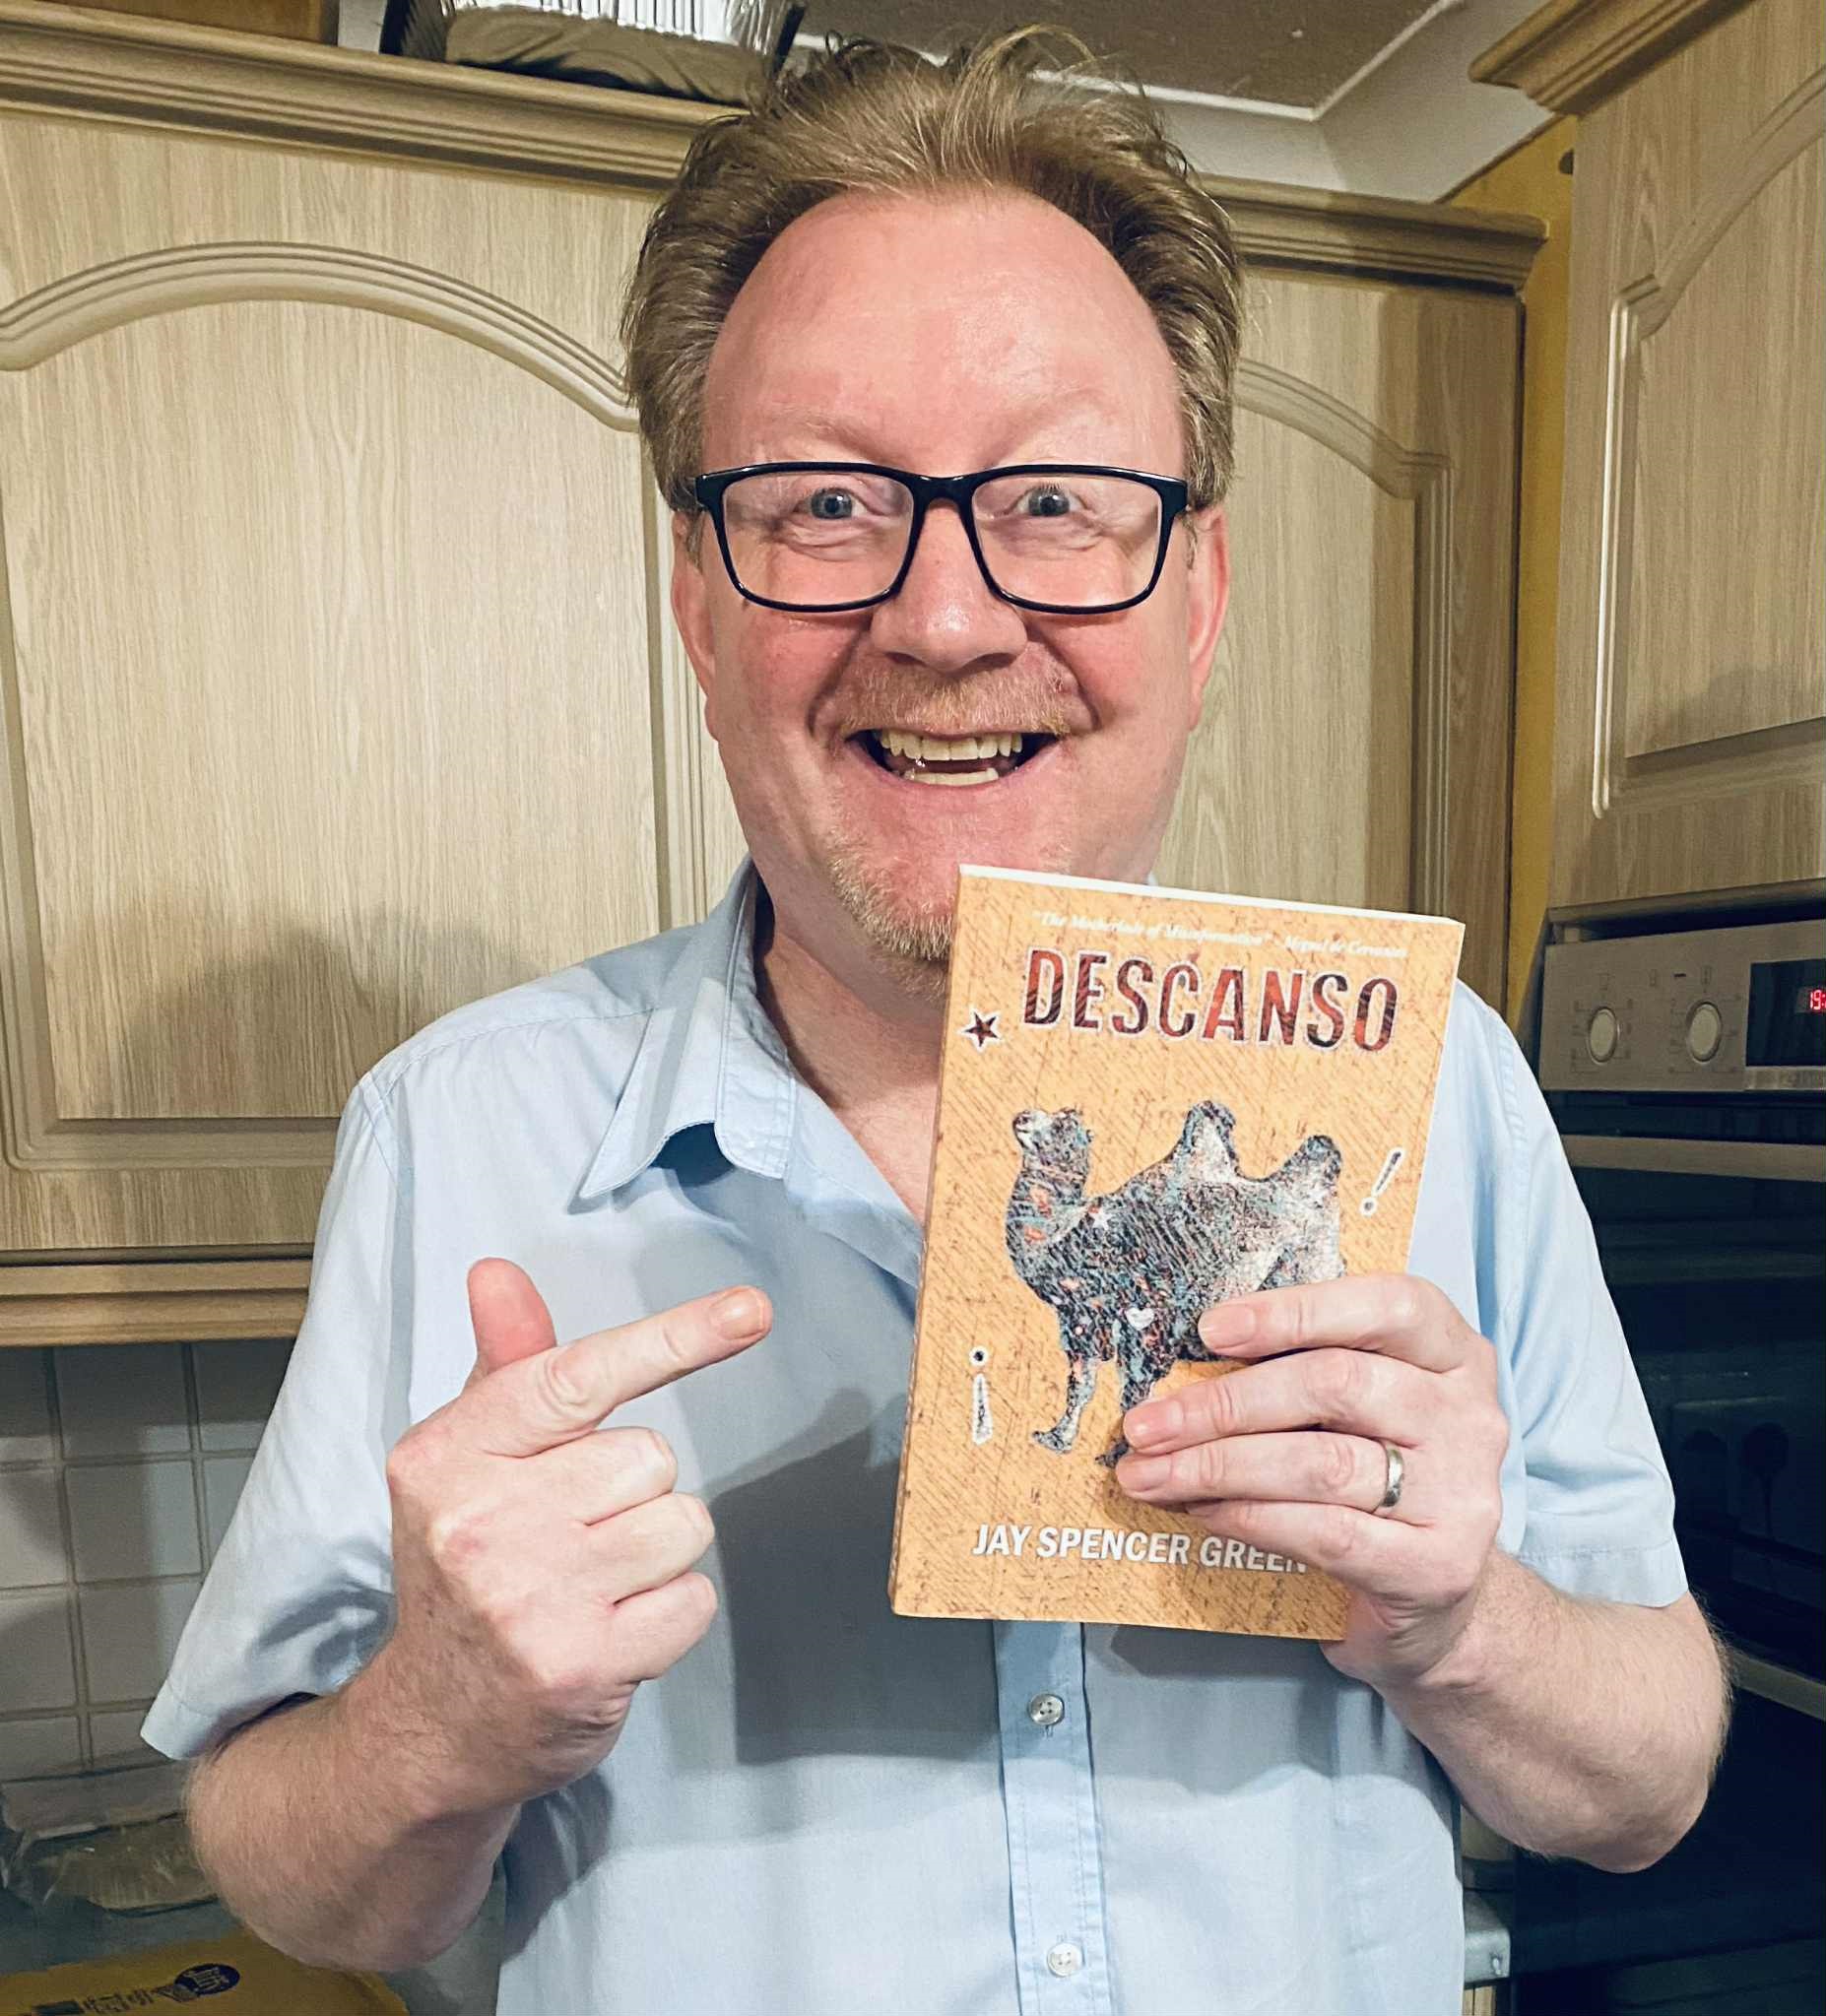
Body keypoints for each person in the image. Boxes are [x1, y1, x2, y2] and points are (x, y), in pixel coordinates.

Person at [143, 30, 1728, 2015]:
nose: (949, 619)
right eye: (825, 504)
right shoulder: (456, 1131)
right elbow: (289, 1877)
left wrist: (1461, 1622)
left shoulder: (1445, 1088)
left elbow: (1648, 1783)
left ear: (1197, 596)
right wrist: (433, 1725)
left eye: (1055, 500)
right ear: (700, 605)